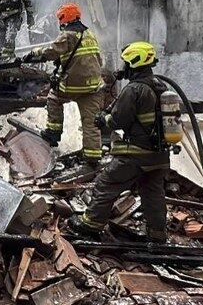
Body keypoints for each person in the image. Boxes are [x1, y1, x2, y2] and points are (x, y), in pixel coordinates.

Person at [69, 42, 170, 243]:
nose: (123, 67)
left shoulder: (134, 90)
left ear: (134, 62)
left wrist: (102, 119)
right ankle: (157, 234)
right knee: (153, 193)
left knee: (107, 182)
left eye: (126, 62)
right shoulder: (160, 86)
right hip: (159, 155)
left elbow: (118, 120)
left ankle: (90, 224)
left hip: (136, 154)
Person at [22, 3, 104, 165]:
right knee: (91, 122)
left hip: (74, 86)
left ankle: (53, 132)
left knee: (54, 98)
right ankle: (93, 156)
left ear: (64, 19)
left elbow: (51, 52)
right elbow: (98, 59)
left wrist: (34, 53)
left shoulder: (68, 35)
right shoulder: (90, 35)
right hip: (94, 87)